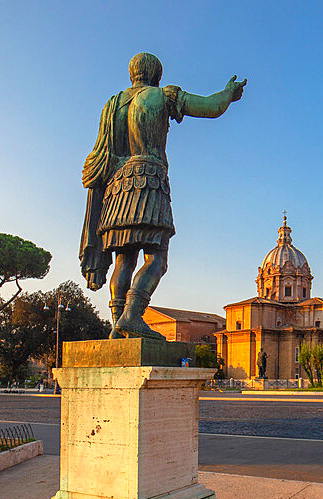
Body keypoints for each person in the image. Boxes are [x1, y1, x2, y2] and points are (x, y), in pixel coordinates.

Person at [80, 52, 247, 338]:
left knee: (124, 259)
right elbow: (211, 107)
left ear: (132, 73)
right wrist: (228, 94)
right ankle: (132, 317)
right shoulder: (163, 95)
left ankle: (118, 325)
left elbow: (104, 153)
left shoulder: (113, 105)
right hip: (150, 181)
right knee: (157, 258)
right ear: (156, 74)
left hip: (118, 187)